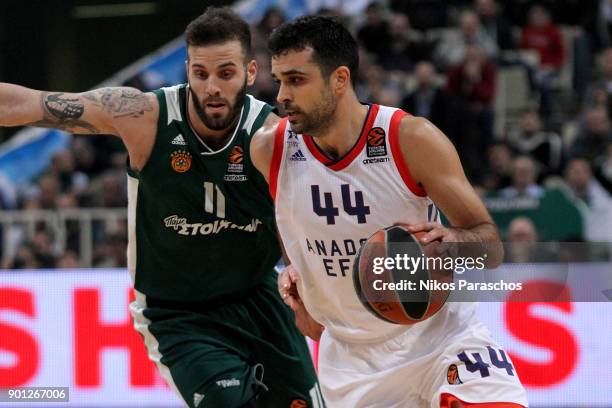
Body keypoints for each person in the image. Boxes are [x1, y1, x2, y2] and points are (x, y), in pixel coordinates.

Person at [0, 7, 320, 408]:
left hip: (257, 297)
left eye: (225, 73)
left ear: (250, 72)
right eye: (200, 74)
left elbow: (298, 223)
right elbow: (31, 104)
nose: (212, 87)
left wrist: (305, 285)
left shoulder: (273, 134)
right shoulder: (145, 117)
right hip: (177, 314)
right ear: (187, 70)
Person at [250, 15, 528, 407]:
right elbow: (286, 218)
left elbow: (490, 246)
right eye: (278, 79)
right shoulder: (269, 149)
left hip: (442, 337)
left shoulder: (410, 139)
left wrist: (451, 244)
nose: (281, 95)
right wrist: (297, 271)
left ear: (340, 79)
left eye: (296, 80)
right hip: (352, 361)